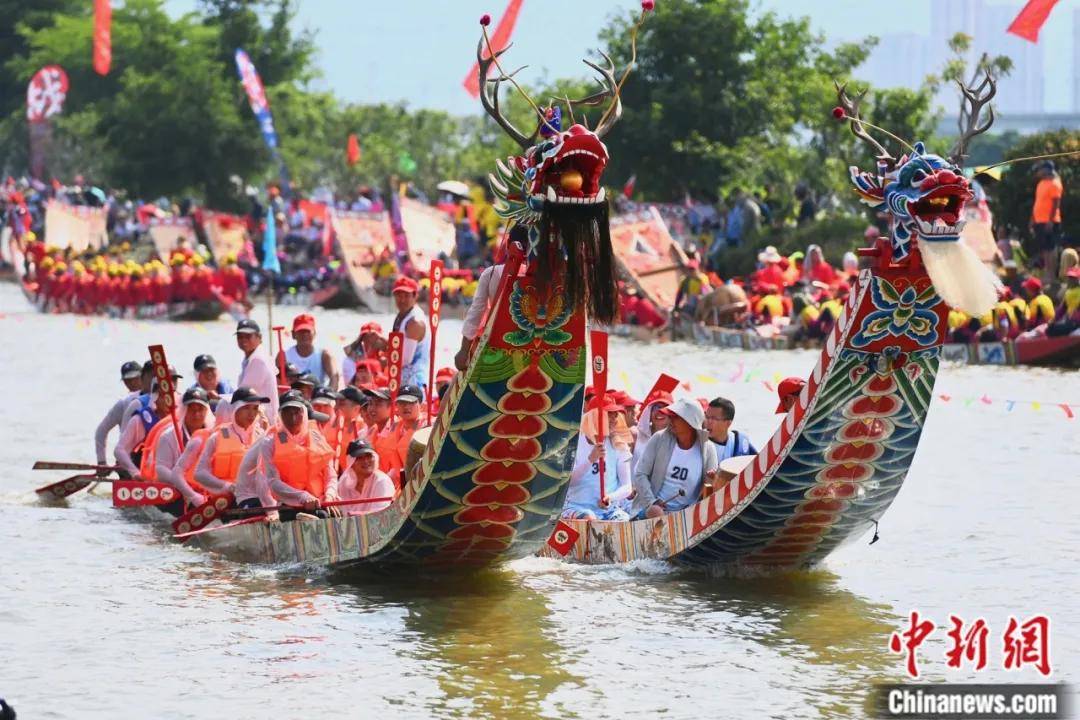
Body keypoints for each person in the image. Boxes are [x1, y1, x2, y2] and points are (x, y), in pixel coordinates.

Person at [232, 390, 337, 520]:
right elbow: (266, 481)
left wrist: (330, 495)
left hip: (312, 500)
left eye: (297, 412)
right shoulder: (269, 441)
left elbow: (330, 474)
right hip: (264, 498)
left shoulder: (317, 437)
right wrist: (273, 511)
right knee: (317, 516)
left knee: (332, 514)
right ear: (281, 415)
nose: (293, 418)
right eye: (287, 412)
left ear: (304, 415)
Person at [631, 398, 719, 518]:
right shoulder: (658, 438)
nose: (670, 420)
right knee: (656, 513)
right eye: (670, 416)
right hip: (651, 511)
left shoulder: (708, 449)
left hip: (688, 515)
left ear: (690, 422)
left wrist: (712, 480)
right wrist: (652, 503)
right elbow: (640, 474)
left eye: (675, 417)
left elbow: (709, 489)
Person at [562, 395, 634, 521]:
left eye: (615, 414)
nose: (614, 419)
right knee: (590, 519)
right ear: (594, 417)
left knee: (623, 522)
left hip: (608, 510)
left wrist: (610, 497)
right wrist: (590, 459)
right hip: (576, 507)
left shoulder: (619, 444)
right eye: (609, 414)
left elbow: (627, 487)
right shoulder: (573, 443)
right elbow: (567, 482)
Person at [191, 387, 270, 496]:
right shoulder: (217, 437)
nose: (252, 414)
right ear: (235, 409)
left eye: (255, 408)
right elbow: (199, 473)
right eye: (246, 408)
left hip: (256, 500)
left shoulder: (262, 436)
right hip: (225, 502)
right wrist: (227, 486)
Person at [151, 388, 216, 510]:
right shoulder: (169, 436)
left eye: (200, 410)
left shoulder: (214, 434)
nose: (196, 415)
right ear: (184, 410)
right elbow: (161, 469)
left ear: (206, 411)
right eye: (192, 410)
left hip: (204, 489)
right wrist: (184, 485)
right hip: (174, 489)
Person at [113, 378, 180, 477]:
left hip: (174, 477)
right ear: (155, 398)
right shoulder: (141, 420)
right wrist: (134, 472)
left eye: (170, 397)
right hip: (145, 477)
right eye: (163, 397)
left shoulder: (183, 418)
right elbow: (119, 450)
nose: (168, 401)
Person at [222, 319, 278, 425]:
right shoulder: (254, 357)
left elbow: (242, 396)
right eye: (240, 336)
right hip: (255, 413)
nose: (243, 340)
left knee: (222, 406)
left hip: (263, 419)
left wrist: (217, 399)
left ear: (259, 337)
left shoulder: (258, 359)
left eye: (248, 336)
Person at [455, 260, 506, 370]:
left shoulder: (491, 273)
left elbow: (476, 312)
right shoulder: (551, 273)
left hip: (495, 347)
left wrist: (464, 350)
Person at [373, 384, 425, 488]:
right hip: (399, 487)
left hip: (422, 484)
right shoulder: (394, 428)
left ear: (421, 405)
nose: (406, 407)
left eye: (411, 402)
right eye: (402, 402)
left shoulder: (428, 426)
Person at [93, 360, 144, 467]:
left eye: (135, 378)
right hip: (128, 461)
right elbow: (101, 431)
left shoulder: (158, 398)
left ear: (144, 376)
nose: (132, 383)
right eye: (128, 380)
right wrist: (101, 461)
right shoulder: (123, 403)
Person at [336, 440, 396, 515]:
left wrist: (356, 516)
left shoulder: (382, 481)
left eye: (369, 456)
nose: (366, 461)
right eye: (359, 458)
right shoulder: (343, 483)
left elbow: (382, 514)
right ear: (351, 462)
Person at [391, 276, 429, 392]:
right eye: (399, 295)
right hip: (402, 381)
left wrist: (384, 348)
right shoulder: (403, 315)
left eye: (406, 296)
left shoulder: (415, 322)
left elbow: (404, 359)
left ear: (415, 296)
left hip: (413, 384)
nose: (402, 300)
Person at [284, 313, 339, 389]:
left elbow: (334, 377)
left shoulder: (325, 355)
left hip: (317, 397)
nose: (305, 335)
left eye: (308, 331)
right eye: (301, 331)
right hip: (293, 397)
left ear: (314, 333)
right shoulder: (283, 356)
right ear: (293, 334)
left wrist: (329, 395)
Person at [1031, 160, 1063, 277]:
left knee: (1051, 248)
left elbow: (1056, 203)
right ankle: (1046, 272)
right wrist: (1032, 219)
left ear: (1046, 170)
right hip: (1039, 220)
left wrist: (1050, 220)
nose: (1038, 172)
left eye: (1040, 169)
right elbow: (1037, 202)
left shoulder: (1055, 183)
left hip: (1050, 221)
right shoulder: (1041, 184)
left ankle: (1051, 274)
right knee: (1044, 248)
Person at [704, 397, 757, 462]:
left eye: (714, 418)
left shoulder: (740, 442)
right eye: (707, 417)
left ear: (728, 423)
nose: (708, 422)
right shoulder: (699, 444)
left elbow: (761, 463)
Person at [632, 390, 674, 470]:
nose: (660, 411)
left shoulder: (676, 441)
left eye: (665, 408)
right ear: (649, 412)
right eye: (656, 407)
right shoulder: (635, 435)